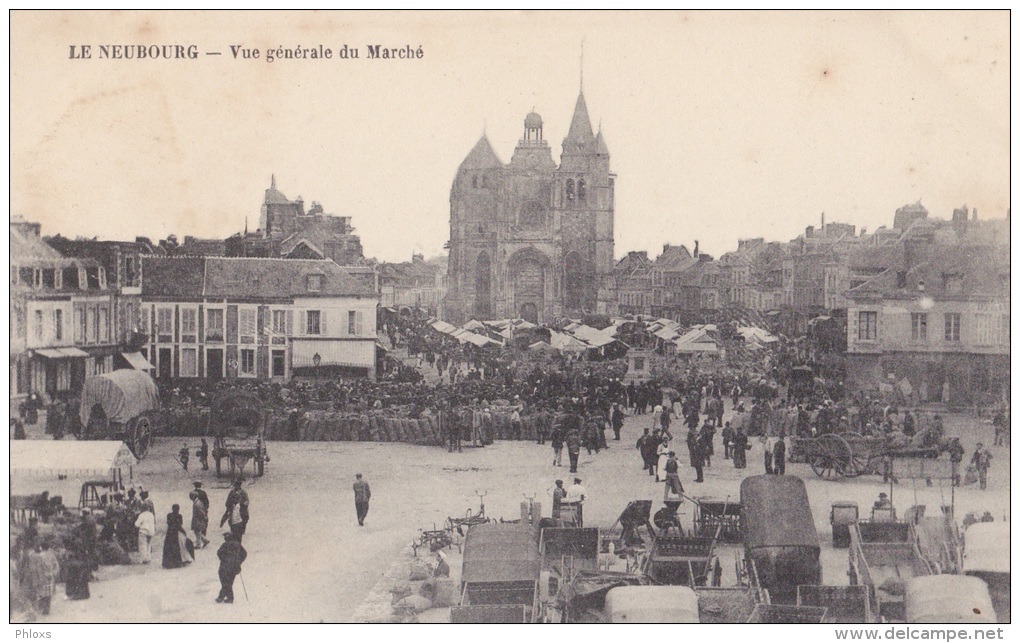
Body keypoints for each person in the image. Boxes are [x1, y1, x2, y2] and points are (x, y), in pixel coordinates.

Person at [22, 542, 59, 618]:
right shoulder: (51, 555)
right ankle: (47, 609)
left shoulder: (39, 556)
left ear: (41, 547)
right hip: (50, 576)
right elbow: (56, 565)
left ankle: (41, 609)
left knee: (41, 592)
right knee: (48, 593)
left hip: (42, 576)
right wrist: (53, 573)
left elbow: (38, 567)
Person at [216, 532, 248, 604]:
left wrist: (223, 559)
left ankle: (229, 598)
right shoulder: (238, 544)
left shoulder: (225, 545)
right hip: (235, 567)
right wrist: (239, 561)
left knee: (225, 582)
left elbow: (219, 553)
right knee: (229, 582)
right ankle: (221, 596)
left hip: (224, 567)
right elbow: (244, 554)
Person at [162, 504, 193, 569]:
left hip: (170, 532)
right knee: (176, 547)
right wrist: (183, 531)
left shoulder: (169, 515)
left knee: (169, 547)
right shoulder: (179, 516)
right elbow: (180, 524)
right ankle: (177, 562)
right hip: (175, 532)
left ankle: (168, 563)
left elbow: (169, 523)